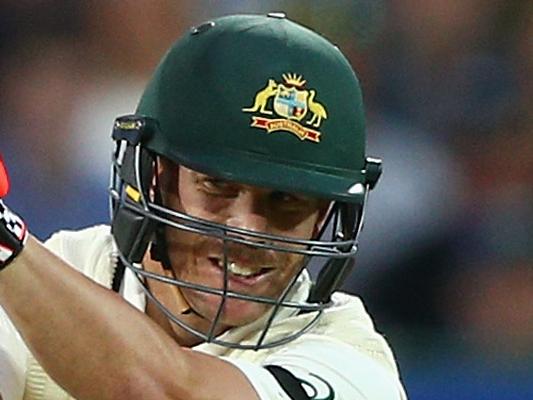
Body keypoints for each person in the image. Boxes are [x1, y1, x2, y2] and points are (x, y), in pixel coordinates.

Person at [0, 14, 407, 400]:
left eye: (286, 200)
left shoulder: (350, 360)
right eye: (217, 185)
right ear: (156, 176)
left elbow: (167, 394)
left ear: (323, 217)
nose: (247, 229)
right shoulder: (64, 269)